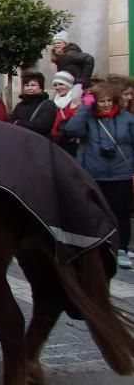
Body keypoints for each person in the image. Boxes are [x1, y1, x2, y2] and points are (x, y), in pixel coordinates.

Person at [64, 82, 133, 270]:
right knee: (93, 213)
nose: (107, 104)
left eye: (110, 100)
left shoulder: (127, 118)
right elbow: (72, 130)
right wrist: (85, 106)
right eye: (102, 101)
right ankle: (95, 245)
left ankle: (122, 249)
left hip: (120, 175)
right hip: (93, 174)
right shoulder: (88, 118)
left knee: (121, 215)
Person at [9, 72, 57, 136]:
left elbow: (40, 127)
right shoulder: (20, 105)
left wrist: (18, 122)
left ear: (41, 88)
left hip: (39, 142)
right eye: (27, 85)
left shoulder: (48, 105)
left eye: (33, 85)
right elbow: (11, 123)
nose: (29, 88)